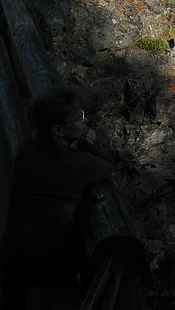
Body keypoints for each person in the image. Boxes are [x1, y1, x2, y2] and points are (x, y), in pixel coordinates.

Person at [0, 86, 135, 309]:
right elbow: (107, 168)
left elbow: (73, 157)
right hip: (49, 262)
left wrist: (115, 153)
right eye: (78, 118)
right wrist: (92, 145)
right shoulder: (73, 165)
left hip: (12, 253)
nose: (84, 122)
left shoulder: (27, 149)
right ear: (58, 131)